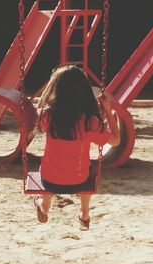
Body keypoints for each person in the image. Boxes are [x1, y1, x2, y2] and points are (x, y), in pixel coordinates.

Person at [33, 65, 120, 229]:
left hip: (50, 181)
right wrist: (107, 110)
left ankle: (44, 207)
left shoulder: (47, 116)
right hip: (79, 181)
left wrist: (47, 90)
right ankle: (84, 214)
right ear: (84, 92)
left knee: (45, 168)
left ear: (55, 90)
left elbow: (39, 108)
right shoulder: (89, 122)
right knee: (88, 171)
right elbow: (116, 140)